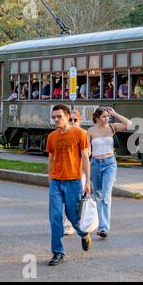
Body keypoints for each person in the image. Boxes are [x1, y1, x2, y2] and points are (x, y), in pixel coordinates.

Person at [46, 104, 92, 266]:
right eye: (54, 117)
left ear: (67, 117)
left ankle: (83, 233)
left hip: (74, 182)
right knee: (55, 217)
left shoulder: (80, 134)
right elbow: (50, 158)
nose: (56, 120)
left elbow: (85, 158)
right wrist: (50, 178)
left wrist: (87, 182)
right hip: (56, 182)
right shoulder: (52, 137)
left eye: (59, 117)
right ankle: (58, 252)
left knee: (73, 217)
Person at [88, 107, 132, 238]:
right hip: (95, 164)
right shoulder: (90, 130)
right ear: (97, 118)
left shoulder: (112, 127)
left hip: (110, 164)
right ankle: (99, 222)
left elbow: (129, 124)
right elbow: (85, 148)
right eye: (104, 117)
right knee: (97, 194)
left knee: (106, 195)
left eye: (108, 116)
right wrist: (87, 154)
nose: (106, 118)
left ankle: (103, 228)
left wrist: (115, 113)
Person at [63, 109, 84, 236]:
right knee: (68, 200)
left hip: (80, 174)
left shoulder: (84, 135)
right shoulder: (62, 134)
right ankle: (68, 225)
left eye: (75, 120)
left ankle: (78, 222)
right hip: (66, 173)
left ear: (79, 121)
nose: (72, 122)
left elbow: (88, 158)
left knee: (78, 201)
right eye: (70, 119)